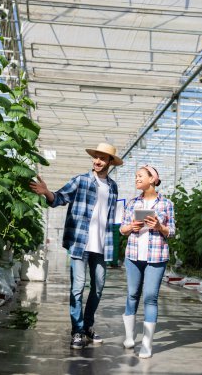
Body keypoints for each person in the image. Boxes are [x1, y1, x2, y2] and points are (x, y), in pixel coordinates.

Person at [29, 142, 123, 349]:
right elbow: (60, 198)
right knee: (77, 288)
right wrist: (46, 192)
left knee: (98, 287)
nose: (97, 161)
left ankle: (88, 326)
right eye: (95, 157)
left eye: (102, 158)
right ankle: (77, 331)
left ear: (110, 162)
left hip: (101, 245)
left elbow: (112, 218)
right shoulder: (80, 180)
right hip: (80, 243)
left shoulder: (113, 186)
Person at [120, 165, 175, 358]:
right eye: (135, 176)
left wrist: (159, 226)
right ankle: (129, 337)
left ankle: (146, 344)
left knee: (150, 297)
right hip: (133, 255)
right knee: (132, 294)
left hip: (156, 256)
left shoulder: (166, 204)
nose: (136, 179)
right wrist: (131, 227)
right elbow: (122, 229)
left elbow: (172, 231)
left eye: (140, 176)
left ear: (152, 179)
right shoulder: (132, 203)